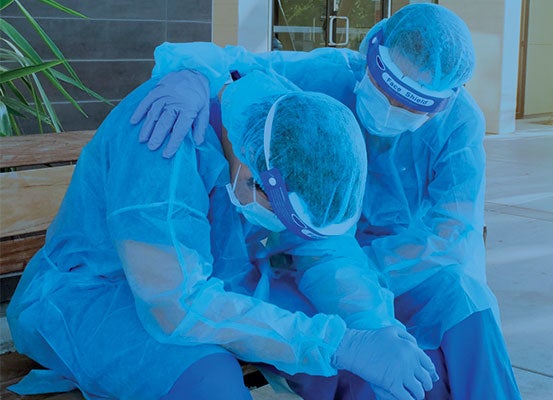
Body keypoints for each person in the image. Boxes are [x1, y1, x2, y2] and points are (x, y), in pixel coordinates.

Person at [130, 3, 522, 399]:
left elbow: (453, 236)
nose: (390, 109)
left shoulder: (460, 124)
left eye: (411, 105)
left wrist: (361, 278)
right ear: (372, 52)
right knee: (373, 367)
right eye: (384, 88)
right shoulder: (324, 76)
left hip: (397, 260)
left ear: (444, 103)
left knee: (462, 300)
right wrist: (195, 76)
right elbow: (238, 66)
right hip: (303, 255)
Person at [7, 65, 438, 400]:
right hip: (94, 293)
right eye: (283, 215)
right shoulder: (163, 137)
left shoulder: (283, 125)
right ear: (255, 179)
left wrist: (373, 327)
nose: (286, 229)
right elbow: (177, 306)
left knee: (352, 359)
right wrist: (341, 344)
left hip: (210, 279)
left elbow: (325, 252)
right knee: (208, 376)